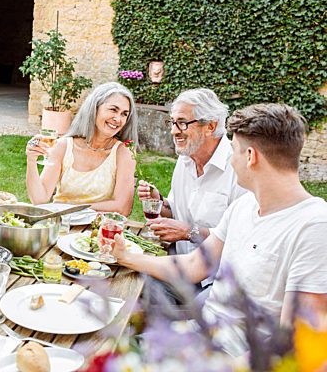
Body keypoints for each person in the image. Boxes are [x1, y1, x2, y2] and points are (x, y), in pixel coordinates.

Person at [113, 103, 327, 358]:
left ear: (250, 157)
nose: (229, 159)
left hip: (229, 359)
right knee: (107, 348)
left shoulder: (313, 227)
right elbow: (194, 265)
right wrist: (127, 257)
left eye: (233, 150)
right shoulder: (244, 206)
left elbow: (299, 343)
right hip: (197, 337)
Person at [137, 88, 247, 291]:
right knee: (126, 280)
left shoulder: (239, 167)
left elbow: (242, 241)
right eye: (172, 122)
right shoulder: (186, 158)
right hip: (179, 268)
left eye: (182, 123)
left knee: (138, 290)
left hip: (217, 281)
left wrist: (190, 232)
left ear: (210, 126)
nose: (173, 130)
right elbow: (176, 211)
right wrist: (159, 201)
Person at [25, 82, 138, 216]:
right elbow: (40, 200)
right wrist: (31, 160)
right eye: (113, 109)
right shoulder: (63, 146)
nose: (118, 119)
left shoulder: (124, 152)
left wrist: (67, 208)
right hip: (62, 227)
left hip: (99, 231)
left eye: (124, 114)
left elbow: (122, 207)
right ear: (94, 108)